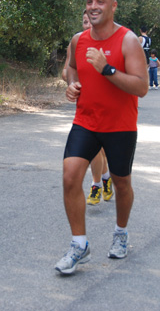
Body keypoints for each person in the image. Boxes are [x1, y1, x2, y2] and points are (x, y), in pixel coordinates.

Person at [55, 0, 148, 274]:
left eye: (100, 2)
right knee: (70, 177)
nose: (93, 7)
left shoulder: (128, 41)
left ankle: (121, 233)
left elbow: (142, 87)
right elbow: (71, 68)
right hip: (85, 121)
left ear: (113, 6)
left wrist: (107, 69)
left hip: (119, 125)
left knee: (121, 183)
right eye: (89, 2)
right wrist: (71, 84)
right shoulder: (78, 40)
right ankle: (79, 245)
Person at [62, 11, 113, 207]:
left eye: (90, 21)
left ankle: (99, 182)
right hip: (84, 105)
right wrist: (71, 83)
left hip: (107, 105)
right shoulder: (76, 43)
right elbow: (66, 71)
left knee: (98, 149)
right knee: (96, 150)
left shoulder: (110, 42)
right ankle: (101, 181)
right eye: (84, 21)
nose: (87, 25)